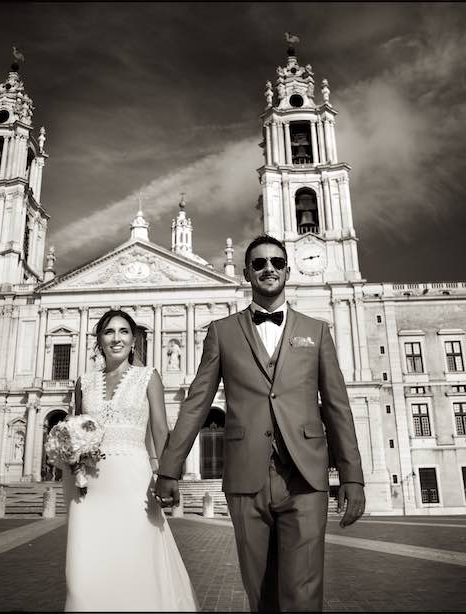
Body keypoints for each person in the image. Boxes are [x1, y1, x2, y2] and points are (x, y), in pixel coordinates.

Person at [155, 234, 366, 612]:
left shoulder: (317, 331)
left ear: (287, 269)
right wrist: (169, 468)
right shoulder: (221, 332)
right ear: (248, 273)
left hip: (305, 474)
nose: (268, 268)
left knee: (304, 591)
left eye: (276, 262)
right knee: (260, 592)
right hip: (246, 476)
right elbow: (196, 403)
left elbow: (337, 406)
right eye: (259, 263)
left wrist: (352, 476)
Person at [63, 309, 198, 612]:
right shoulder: (84, 382)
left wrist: (169, 476)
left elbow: (161, 431)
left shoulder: (148, 377)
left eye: (124, 331)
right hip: (89, 486)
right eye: (109, 331)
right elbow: (74, 429)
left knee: (135, 561)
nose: (116, 338)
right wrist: (69, 457)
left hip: (133, 482)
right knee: (84, 568)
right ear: (99, 340)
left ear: (134, 340)